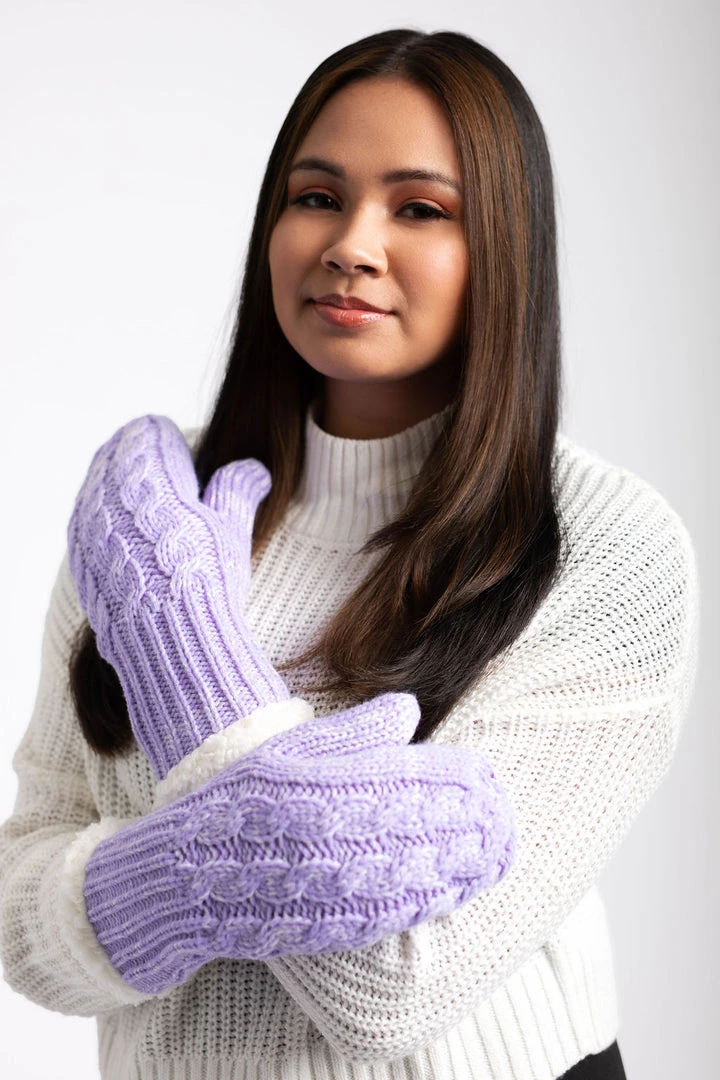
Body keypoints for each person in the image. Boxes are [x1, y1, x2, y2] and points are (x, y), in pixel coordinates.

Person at [0, 28, 697, 1080]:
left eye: (419, 209)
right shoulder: (151, 513)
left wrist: (185, 649)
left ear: (502, 247)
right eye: (316, 196)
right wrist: (183, 880)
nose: (351, 244)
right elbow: (19, 913)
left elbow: (391, 991)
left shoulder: (607, 549)